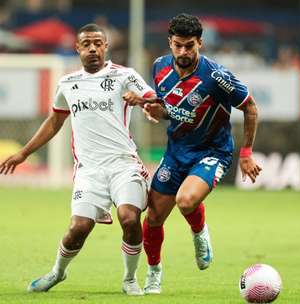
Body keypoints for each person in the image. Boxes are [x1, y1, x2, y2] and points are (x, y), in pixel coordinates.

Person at [0, 23, 155, 296]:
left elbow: (154, 99)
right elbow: (54, 121)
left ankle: (130, 278)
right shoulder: (68, 83)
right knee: (78, 228)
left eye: (98, 43)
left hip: (123, 164)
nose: (93, 48)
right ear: (77, 48)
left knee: (129, 218)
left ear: (106, 46)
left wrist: (144, 102)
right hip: (89, 170)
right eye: (87, 44)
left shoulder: (125, 76)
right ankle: (58, 272)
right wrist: (23, 153)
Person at [125, 13, 262, 294]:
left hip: (212, 152)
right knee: (153, 218)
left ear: (200, 43)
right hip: (176, 152)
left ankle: (200, 233)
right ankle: (154, 273)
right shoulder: (160, 67)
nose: (183, 52)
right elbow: (170, 108)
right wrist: (152, 107)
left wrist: (246, 153)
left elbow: (250, 107)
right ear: (170, 43)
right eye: (178, 45)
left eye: (190, 45)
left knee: (186, 201)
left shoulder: (217, 77)